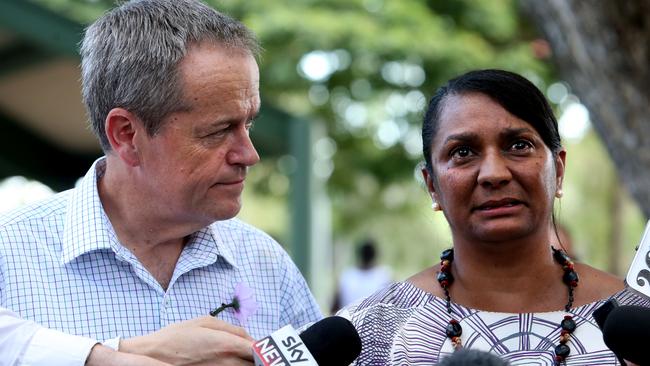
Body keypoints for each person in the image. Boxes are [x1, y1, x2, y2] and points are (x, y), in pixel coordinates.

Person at [0, 0, 321, 364]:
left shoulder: (266, 265)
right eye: (219, 130)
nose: (248, 154)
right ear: (126, 135)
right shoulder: (10, 257)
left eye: (248, 124)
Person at [338, 69, 649, 365]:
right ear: (432, 185)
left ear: (559, 170)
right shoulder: (374, 334)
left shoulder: (637, 319)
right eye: (463, 152)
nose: (494, 174)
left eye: (518, 145)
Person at [331, 239, 392, 313]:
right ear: (375, 255)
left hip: (348, 322)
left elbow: (334, 308)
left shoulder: (347, 276)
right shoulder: (385, 276)